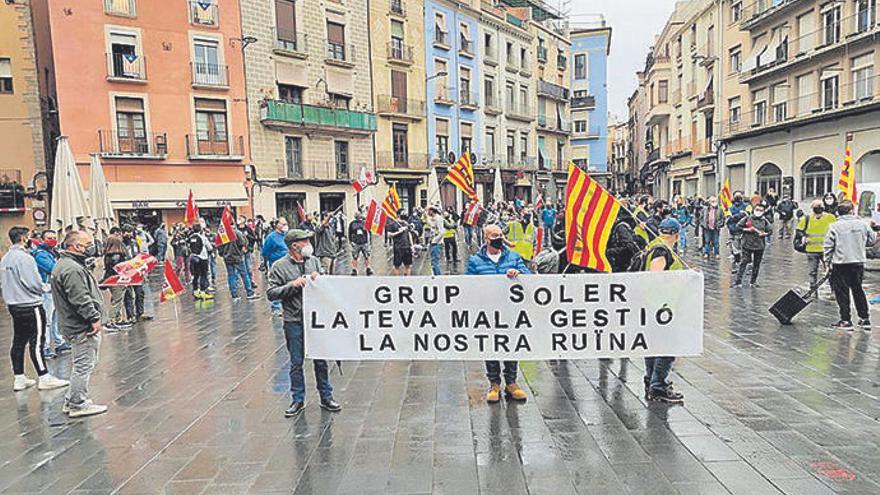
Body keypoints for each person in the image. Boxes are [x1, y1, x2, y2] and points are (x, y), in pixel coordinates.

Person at [267, 229, 342, 417]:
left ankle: (326, 396)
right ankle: (297, 400)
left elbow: (327, 285)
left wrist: (320, 279)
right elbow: (271, 293)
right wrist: (292, 285)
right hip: (294, 320)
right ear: (294, 246)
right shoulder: (279, 266)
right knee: (296, 362)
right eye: (305, 241)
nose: (309, 243)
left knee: (321, 360)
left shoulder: (314, 261)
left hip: (315, 320)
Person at [466, 224, 530, 403]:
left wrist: (519, 274)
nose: (499, 238)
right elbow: (466, 285)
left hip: (510, 309)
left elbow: (530, 277)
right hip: (487, 311)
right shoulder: (475, 261)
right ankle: (494, 383)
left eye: (501, 235)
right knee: (490, 345)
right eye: (495, 235)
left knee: (511, 344)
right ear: (486, 238)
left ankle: (511, 382)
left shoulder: (514, 257)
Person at [0, 227, 70, 392]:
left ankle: (19, 377)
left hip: (14, 305)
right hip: (30, 304)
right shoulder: (25, 258)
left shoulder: (5, 259)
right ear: (24, 238)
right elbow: (33, 284)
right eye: (30, 236)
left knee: (18, 341)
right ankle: (44, 376)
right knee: (37, 341)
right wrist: (46, 288)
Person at [52, 230, 107, 417]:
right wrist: (93, 318)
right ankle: (78, 403)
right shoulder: (71, 269)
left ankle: (71, 399)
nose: (92, 247)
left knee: (81, 363)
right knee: (84, 365)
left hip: (72, 324)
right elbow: (80, 298)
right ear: (76, 246)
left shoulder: (68, 264)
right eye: (88, 243)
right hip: (80, 326)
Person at [642, 217, 685, 404]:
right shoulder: (661, 250)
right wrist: (679, 280)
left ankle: (651, 381)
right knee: (667, 346)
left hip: (653, 304)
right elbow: (655, 274)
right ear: (676, 234)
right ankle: (658, 386)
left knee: (654, 344)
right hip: (660, 306)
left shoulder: (654, 244)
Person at [824, 200, 875, 330]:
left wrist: (827, 263)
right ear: (851, 211)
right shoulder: (862, 224)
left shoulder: (834, 226)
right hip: (858, 262)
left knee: (842, 292)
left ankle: (846, 320)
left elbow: (828, 247)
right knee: (858, 290)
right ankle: (864, 318)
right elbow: (872, 240)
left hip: (840, 263)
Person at [32, 229, 70, 357]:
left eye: (54, 237)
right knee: (47, 320)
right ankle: (45, 347)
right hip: (46, 290)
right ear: (42, 240)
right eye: (49, 238)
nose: (52, 240)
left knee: (55, 318)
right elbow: (53, 269)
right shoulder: (40, 254)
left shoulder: (53, 252)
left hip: (54, 288)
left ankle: (59, 342)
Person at [797, 199, 836, 292]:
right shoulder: (806, 218)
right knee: (812, 271)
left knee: (830, 271)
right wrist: (803, 237)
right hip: (811, 250)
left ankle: (833, 290)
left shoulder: (831, 217)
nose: (818, 208)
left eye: (820, 206)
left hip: (826, 250)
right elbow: (799, 232)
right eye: (816, 206)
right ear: (812, 208)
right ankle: (813, 289)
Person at [734, 202, 772, 288]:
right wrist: (747, 229)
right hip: (747, 244)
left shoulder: (765, 221)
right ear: (754, 210)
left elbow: (770, 231)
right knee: (743, 262)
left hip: (759, 246)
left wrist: (764, 234)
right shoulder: (747, 218)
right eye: (757, 210)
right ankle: (738, 281)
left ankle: (753, 282)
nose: (759, 211)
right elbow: (738, 227)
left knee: (756, 264)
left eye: (761, 210)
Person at [101, 235, 134, 331]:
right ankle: (111, 321)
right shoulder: (117, 255)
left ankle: (117, 319)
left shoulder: (108, 255)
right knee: (117, 301)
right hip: (118, 280)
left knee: (115, 299)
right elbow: (119, 269)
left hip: (111, 280)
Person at [219, 223, 258, 302]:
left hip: (227, 258)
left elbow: (219, 246)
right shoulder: (237, 233)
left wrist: (223, 254)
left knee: (231, 275)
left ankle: (234, 295)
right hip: (237, 257)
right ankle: (250, 293)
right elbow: (244, 242)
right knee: (244, 274)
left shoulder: (223, 234)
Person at [262, 217, 290, 316]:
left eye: (286, 224)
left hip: (288, 264)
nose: (285, 226)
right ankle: (276, 307)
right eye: (283, 224)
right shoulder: (271, 237)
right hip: (275, 264)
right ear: (277, 225)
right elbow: (265, 251)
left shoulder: (287, 235)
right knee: (277, 285)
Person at [188, 224, 213, 300]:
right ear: (200, 230)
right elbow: (209, 247)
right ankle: (203, 292)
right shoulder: (202, 237)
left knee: (195, 275)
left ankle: (195, 291)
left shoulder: (190, 237)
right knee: (203, 275)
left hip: (193, 258)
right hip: (202, 258)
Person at [386, 212, 414, 276]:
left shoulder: (406, 224)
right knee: (397, 266)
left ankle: (407, 280)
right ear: (398, 215)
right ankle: (397, 281)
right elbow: (389, 235)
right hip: (398, 247)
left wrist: (412, 245)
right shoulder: (392, 224)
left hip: (407, 247)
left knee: (408, 265)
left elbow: (409, 234)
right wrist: (399, 232)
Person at [348, 212, 373, 276]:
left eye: (359, 215)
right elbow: (349, 232)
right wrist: (350, 241)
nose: (358, 217)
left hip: (364, 242)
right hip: (356, 242)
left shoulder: (364, 223)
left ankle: (368, 268)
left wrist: (369, 241)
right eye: (357, 215)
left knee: (366, 256)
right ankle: (354, 269)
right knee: (355, 256)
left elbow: (369, 231)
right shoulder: (352, 224)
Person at [426, 206, 444, 275]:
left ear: (432, 211)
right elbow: (432, 226)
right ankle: (436, 275)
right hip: (433, 242)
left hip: (436, 244)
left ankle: (438, 277)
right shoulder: (434, 218)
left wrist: (435, 241)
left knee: (435, 262)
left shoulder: (438, 218)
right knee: (433, 262)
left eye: (428, 211)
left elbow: (442, 232)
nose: (428, 212)